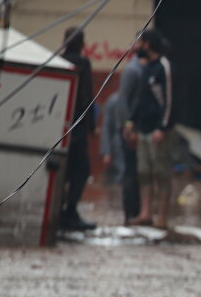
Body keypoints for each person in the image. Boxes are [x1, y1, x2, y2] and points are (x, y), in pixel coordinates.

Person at [125, 29, 177, 228]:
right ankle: (146, 213)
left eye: (139, 43)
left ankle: (162, 217)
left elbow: (170, 100)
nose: (136, 47)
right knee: (144, 172)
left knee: (161, 173)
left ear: (147, 44)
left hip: (158, 131)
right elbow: (141, 99)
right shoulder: (145, 68)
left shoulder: (164, 67)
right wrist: (131, 122)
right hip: (143, 129)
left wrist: (163, 128)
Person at [100, 34, 147, 224]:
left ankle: (135, 213)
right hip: (128, 135)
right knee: (128, 173)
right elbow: (108, 125)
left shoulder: (143, 70)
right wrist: (128, 128)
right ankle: (130, 214)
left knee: (135, 173)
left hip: (134, 132)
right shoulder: (134, 71)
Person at [59, 27, 97, 231]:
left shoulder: (58, 61)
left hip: (58, 127)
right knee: (81, 170)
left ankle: (60, 208)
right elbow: (86, 97)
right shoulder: (83, 64)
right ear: (82, 44)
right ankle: (70, 211)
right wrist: (91, 126)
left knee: (62, 171)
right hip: (77, 128)